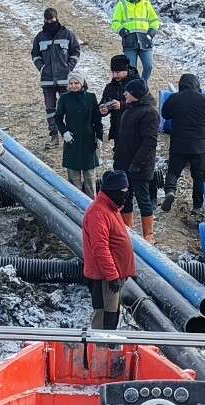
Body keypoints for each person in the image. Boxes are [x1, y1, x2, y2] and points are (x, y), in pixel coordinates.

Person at [82, 170, 136, 330]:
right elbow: (100, 248)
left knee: (112, 315)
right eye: (123, 192)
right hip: (104, 278)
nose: (125, 196)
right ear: (113, 191)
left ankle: (107, 347)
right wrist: (112, 276)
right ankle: (99, 350)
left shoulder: (111, 207)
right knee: (105, 317)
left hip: (112, 275)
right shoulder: (98, 213)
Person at [160, 73, 205, 213]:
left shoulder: (174, 98)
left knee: (173, 171)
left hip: (179, 143)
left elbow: (165, 114)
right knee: (199, 176)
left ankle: (170, 191)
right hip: (199, 145)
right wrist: (203, 125)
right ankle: (197, 206)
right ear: (197, 85)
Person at [112, 78, 160, 242]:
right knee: (125, 198)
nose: (124, 93)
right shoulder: (129, 110)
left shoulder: (150, 113)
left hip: (140, 166)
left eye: (128, 91)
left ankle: (148, 235)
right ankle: (127, 232)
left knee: (143, 198)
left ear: (136, 95)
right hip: (124, 163)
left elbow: (149, 142)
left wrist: (136, 164)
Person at [31, 8, 81, 149]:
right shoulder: (40, 37)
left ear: (57, 19)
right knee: (50, 109)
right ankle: (54, 136)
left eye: (52, 21)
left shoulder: (68, 35)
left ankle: (71, 135)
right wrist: (41, 68)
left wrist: (69, 67)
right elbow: (35, 55)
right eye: (47, 21)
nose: (50, 23)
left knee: (69, 107)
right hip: (47, 80)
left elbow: (76, 51)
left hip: (65, 79)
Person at [54, 71, 103, 197]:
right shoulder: (64, 98)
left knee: (90, 179)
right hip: (72, 141)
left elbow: (97, 119)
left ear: (82, 84)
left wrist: (99, 137)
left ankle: (91, 205)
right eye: (71, 83)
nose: (73, 86)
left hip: (88, 141)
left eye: (76, 83)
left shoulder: (91, 97)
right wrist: (64, 132)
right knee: (74, 179)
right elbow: (58, 118)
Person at [110, 0, 160, 85]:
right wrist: (122, 31)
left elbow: (154, 20)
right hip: (129, 40)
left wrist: (151, 33)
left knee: (148, 66)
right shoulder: (122, 4)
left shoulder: (146, 3)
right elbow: (115, 22)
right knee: (131, 69)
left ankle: (143, 85)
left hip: (145, 40)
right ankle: (133, 88)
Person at [99, 55, 139, 146]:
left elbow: (146, 104)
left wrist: (122, 105)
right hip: (118, 129)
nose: (114, 75)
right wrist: (104, 109)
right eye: (113, 72)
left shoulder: (138, 84)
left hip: (135, 129)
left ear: (126, 70)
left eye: (117, 72)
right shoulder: (110, 87)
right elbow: (103, 103)